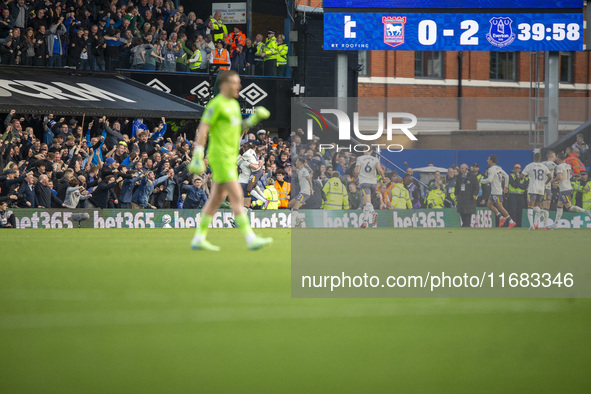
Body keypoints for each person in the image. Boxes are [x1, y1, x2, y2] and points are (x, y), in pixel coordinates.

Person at [188, 70, 271, 251]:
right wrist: (198, 154)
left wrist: (253, 119)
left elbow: (238, 128)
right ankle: (250, 238)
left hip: (230, 157)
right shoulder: (216, 104)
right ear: (225, 85)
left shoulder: (233, 105)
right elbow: (203, 129)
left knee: (216, 198)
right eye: (236, 83)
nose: (239, 86)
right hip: (220, 156)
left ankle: (199, 237)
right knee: (237, 196)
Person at [548, 153, 591, 229]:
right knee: (559, 206)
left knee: (569, 207)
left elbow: (559, 176)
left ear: (559, 159)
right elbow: (569, 174)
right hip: (566, 188)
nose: (556, 159)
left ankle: (587, 212)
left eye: (557, 158)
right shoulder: (568, 165)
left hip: (564, 189)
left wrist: (553, 180)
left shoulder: (560, 166)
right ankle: (555, 224)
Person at [480, 155, 516, 228]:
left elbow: (489, 180)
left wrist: (481, 180)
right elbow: (506, 176)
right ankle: (501, 217)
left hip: (496, 191)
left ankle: (511, 221)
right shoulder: (498, 168)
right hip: (494, 191)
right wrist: (506, 186)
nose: (487, 160)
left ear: (491, 161)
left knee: (500, 207)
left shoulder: (491, 169)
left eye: (488, 159)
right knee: (489, 205)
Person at [520, 152, 552, 230]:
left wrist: (522, 179)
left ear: (534, 158)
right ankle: (540, 211)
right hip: (541, 189)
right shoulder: (543, 166)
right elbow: (550, 176)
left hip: (532, 188)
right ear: (540, 158)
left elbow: (522, 175)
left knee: (530, 207)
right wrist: (545, 183)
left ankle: (531, 226)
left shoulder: (529, 166)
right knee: (536, 206)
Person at [354, 149, 383, 228]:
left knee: (367, 201)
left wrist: (356, 177)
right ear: (371, 151)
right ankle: (364, 222)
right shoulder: (375, 159)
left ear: (363, 150)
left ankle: (373, 213)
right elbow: (380, 170)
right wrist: (383, 177)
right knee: (366, 203)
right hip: (374, 183)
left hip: (364, 182)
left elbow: (357, 171)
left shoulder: (360, 158)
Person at [291, 157, 313, 227]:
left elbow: (309, 179)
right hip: (302, 192)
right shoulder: (300, 171)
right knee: (290, 205)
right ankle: (300, 219)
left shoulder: (304, 171)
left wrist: (311, 188)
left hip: (305, 192)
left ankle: (293, 224)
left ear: (299, 162)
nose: (295, 162)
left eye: (297, 161)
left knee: (295, 208)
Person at [539, 150, 557, 229]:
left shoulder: (541, 163)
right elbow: (558, 168)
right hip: (547, 187)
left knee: (541, 205)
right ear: (552, 156)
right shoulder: (552, 164)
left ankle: (537, 223)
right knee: (546, 206)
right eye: (555, 156)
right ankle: (545, 225)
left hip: (539, 186)